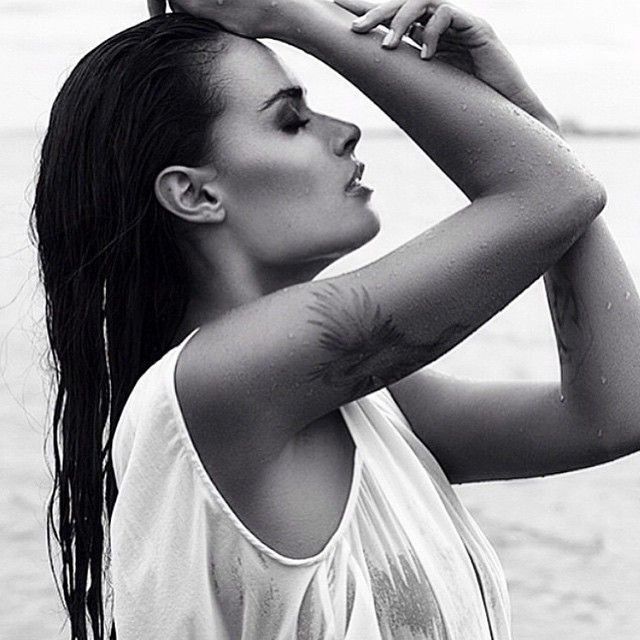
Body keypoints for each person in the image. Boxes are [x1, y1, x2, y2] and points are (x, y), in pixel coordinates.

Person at [32, 0, 640, 637]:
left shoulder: (370, 405)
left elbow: (615, 410)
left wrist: (526, 123)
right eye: (291, 121)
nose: (347, 129)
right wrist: (288, 11)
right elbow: (552, 194)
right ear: (196, 193)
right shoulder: (216, 387)